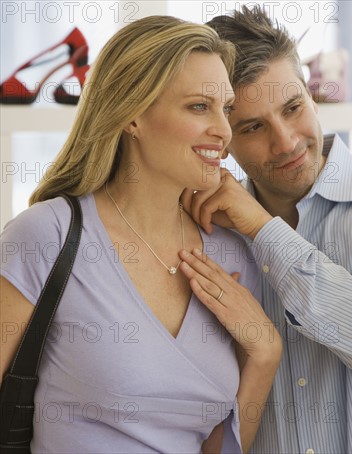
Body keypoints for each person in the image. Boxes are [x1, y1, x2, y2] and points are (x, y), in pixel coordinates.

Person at [0, 16, 281, 453]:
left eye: (225, 109)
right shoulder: (47, 236)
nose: (224, 131)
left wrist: (265, 355)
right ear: (133, 116)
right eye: (198, 106)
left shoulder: (232, 256)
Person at [179, 6, 352, 453]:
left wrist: (263, 229)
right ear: (223, 137)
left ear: (310, 92)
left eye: (293, 107)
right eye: (253, 127)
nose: (286, 141)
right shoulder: (206, 232)